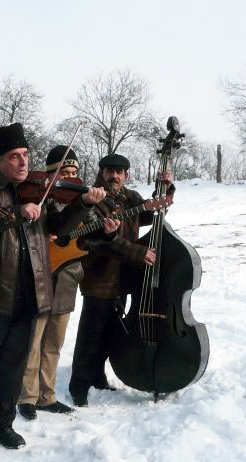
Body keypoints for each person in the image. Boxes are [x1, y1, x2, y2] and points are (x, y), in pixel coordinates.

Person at [0, 123, 105, 452]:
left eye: (25, 154)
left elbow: (60, 228)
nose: (23, 162)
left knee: (12, 367)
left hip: (30, 291)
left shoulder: (39, 191)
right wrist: (17, 213)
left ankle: (1, 426)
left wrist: (83, 204)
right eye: (14, 156)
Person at [17, 146, 119, 420]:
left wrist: (108, 233)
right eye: (64, 173)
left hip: (68, 276)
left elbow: (92, 236)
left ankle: (47, 396)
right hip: (40, 275)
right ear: (50, 174)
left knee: (54, 342)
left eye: (74, 173)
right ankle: (27, 397)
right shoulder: (37, 198)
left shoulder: (83, 201)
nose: (71, 178)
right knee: (33, 340)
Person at [68, 153, 173, 407]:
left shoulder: (131, 198)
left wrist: (165, 188)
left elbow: (155, 211)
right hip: (98, 278)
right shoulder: (93, 200)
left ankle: (97, 378)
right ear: (101, 173)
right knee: (90, 336)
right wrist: (138, 253)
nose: (114, 176)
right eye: (109, 171)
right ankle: (79, 386)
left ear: (126, 175)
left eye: (119, 172)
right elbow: (100, 242)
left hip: (122, 280)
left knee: (110, 334)